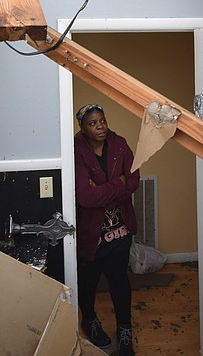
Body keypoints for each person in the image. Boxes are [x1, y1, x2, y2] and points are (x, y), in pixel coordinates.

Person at [74, 103, 140, 356]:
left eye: (102, 120)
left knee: (120, 283)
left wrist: (102, 188)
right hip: (91, 234)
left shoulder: (120, 143)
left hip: (120, 230)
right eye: (93, 123)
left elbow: (133, 180)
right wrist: (117, 185)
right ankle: (89, 320)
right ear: (83, 128)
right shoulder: (76, 149)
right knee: (88, 283)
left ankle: (125, 330)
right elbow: (85, 197)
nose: (100, 126)